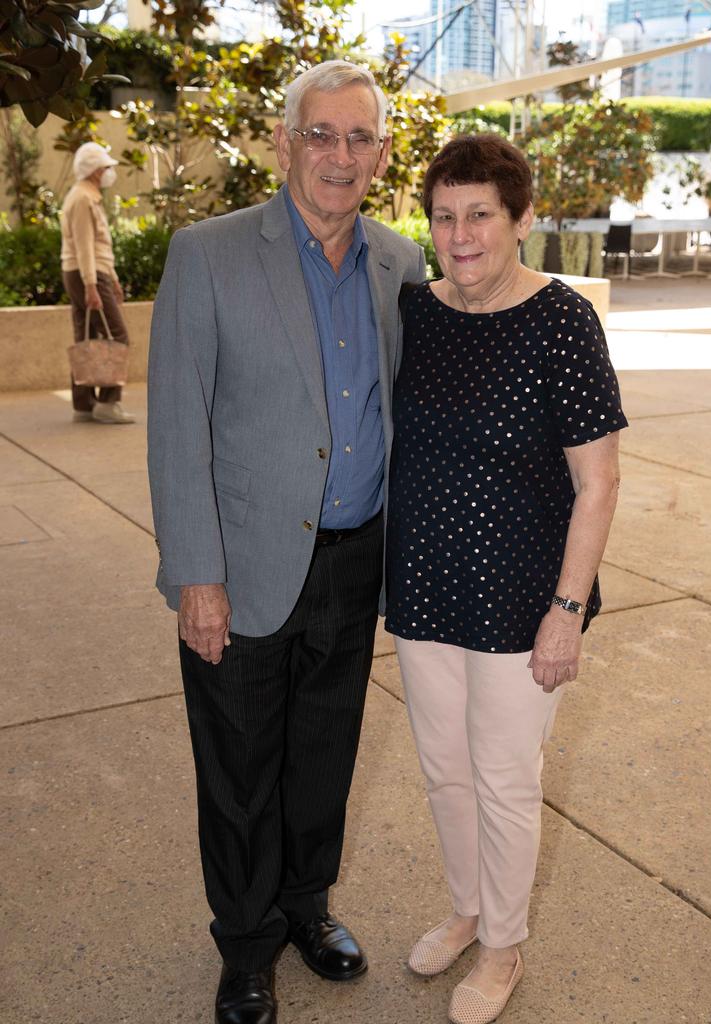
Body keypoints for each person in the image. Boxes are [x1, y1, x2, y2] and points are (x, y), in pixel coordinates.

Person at [147, 61, 425, 1024]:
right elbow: (177, 425)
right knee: (236, 767)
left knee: (324, 754)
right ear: (284, 143)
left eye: (359, 138)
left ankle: (307, 905)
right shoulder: (209, 253)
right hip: (245, 564)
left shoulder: (400, 263)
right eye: (321, 134)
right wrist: (196, 576)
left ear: (381, 154)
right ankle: (247, 941)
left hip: (357, 559)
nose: (339, 156)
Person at [385, 134, 628, 1024]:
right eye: (444, 216)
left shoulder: (561, 320)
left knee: (503, 774)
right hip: (423, 587)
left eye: (480, 214)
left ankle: (503, 946)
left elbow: (597, 481)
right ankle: (465, 908)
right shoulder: (417, 311)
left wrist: (567, 611)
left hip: (523, 598)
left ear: (521, 219)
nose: (460, 235)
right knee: (445, 770)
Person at [60, 142, 135, 424]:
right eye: (105, 167)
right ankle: (107, 403)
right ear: (93, 171)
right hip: (87, 274)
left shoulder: (86, 196)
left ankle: (84, 404)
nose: (108, 172)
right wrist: (92, 285)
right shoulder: (82, 199)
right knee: (118, 337)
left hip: (86, 273)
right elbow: (85, 246)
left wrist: (111, 279)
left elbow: (96, 246)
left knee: (87, 338)